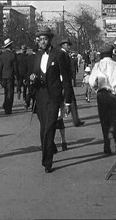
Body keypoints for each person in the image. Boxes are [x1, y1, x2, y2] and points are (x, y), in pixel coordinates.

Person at [30, 26, 73, 173]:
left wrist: (68, 101)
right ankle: (51, 147)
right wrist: (32, 79)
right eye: (40, 39)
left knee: (49, 128)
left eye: (44, 39)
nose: (42, 42)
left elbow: (66, 79)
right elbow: (35, 74)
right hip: (41, 97)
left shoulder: (58, 55)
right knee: (43, 129)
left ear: (50, 40)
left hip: (54, 97)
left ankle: (47, 162)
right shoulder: (37, 56)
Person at [89, 44, 116, 154]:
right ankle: (112, 131)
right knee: (114, 117)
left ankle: (106, 147)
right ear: (111, 53)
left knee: (104, 120)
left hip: (102, 95)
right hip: (113, 95)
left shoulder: (97, 65)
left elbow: (91, 81)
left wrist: (96, 89)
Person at [60, 38, 84, 127]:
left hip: (66, 80)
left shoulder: (65, 54)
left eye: (69, 45)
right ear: (63, 45)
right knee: (67, 99)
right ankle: (73, 119)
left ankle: (76, 119)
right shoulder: (62, 54)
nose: (69, 47)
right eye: (67, 45)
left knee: (71, 99)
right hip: (64, 81)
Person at [0, 38, 18, 114]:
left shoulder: (2, 55)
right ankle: (8, 107)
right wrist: (17, 75)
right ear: (11, 46)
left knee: (6, 91)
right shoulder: (13, 55)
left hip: (4, 75)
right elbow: (15, 67)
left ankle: (5, 104)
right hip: (10, 75)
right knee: (10, 92)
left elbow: (0, 67)